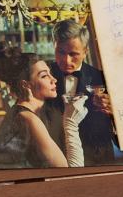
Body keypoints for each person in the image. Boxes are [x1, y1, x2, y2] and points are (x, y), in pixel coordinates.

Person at [0, 42, 87, 169]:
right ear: (26, 84)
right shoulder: (28, 118)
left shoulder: (24, 112)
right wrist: (71, 122)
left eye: (50, 73)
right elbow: (69, 172)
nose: (54, 79)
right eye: (44, 76)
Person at [44, 21, 116, 166]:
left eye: (73, 54)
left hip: (98, 162)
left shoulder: (103, 78)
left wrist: (114, 112)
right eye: (61, 52)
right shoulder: (42, 75)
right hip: (55, 161)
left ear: (85, 51)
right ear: (54, 46)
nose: (66, 60)